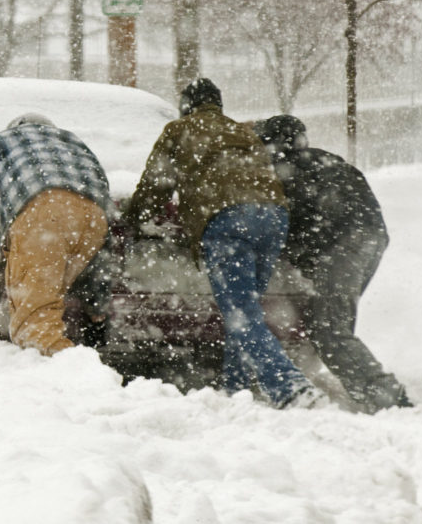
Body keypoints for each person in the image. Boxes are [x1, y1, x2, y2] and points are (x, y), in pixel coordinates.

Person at [123, 78, 323, 408]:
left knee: (241, 315)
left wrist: (136, 219)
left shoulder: (179, 130)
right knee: (247, 312)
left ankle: (290, 388)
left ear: (186, 105)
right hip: (273, 217)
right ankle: (236, 391)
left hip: (228, 220)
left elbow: (157, 184)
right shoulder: (244, 131)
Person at [254, 114, 412, 413]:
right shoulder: (322, 160)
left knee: (327, 328)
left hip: (345, 244)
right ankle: (366, 385)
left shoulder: (290, 173)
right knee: (331, 318)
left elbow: (295, 227)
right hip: (372, 238)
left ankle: (386, 398)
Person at [0, 113, 115, 355]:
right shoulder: (74, 144)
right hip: (93, 218)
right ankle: (72, 364)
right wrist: (96, 311)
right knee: (48, 298)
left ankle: (73, 378)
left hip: (42, 216)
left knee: (33, 324)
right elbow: (102, 254)